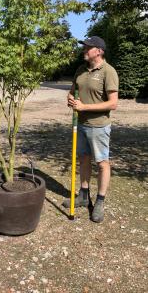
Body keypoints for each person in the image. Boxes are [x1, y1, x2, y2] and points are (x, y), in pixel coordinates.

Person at [63, 36, 119, 223]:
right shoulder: (80, 69)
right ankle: (84, 194)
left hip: (99, 126)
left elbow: (113, 104)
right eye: (85, 46)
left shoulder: (108, 72)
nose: (84, 49)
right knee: (83, 159)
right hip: (80, 124)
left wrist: (84, 107)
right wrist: (70, 98)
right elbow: (72, 91)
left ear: (99, 51)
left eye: (88, 47)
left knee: (102, 163)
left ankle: (100, 201)